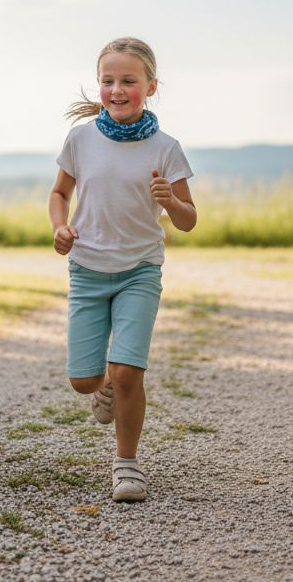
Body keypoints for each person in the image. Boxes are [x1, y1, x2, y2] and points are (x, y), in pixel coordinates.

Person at [48, 37, 197, 502]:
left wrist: (171, 201)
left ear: (150, 86)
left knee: (130, 370)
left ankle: (126, 465)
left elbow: (189, 220)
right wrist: (60, 227)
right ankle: (105, 382)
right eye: (108, 80)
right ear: (99, 86)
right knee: (84, 381)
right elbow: (59, 195)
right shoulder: (80, 139)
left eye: (128, 81)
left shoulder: (166, 148)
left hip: (139, 270)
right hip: (88, 269)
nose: (117, 89)